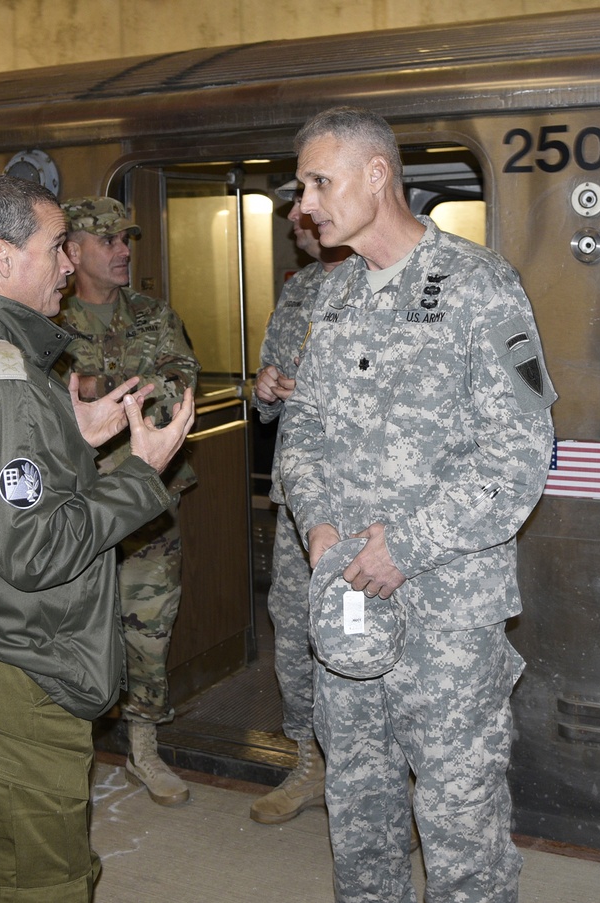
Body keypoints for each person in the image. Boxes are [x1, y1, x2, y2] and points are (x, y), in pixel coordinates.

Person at [0, 174, 194, 902]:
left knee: (17, 861)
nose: (70, 264)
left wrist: (68, 437)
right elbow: (34, 548)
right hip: (18, 663)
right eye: (56, 247)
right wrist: (140, 473)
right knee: (44, 881)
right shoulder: (1, 375)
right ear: (3, 257)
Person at [279, 107, 556, 902]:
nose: (306, 204)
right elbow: (301, 428)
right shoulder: (331, 300)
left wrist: (405, 546)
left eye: (319, 182)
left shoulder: (479, 287)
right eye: (303, 187)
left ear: (377, 175)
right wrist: (322, 526)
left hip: (448, 622)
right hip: (349, 612)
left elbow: (520, 457)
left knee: (460, 827)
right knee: (360, 815)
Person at [56, 196, 200, 807]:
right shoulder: (46, 320)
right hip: (73, 508)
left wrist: (92, 388)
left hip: (144, 505)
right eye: (107, 241)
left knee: (149, 629)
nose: (121, 251)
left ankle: (143, 751)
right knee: (73, 634)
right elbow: (33, 401)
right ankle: (70, 758)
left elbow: (179, 382)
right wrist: (117, 390)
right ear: (72, 251)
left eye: (125, 239)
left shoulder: (152, 315)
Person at [250, 179, 351, 825]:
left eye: (305, 202)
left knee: (366, 640)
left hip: (365, 509)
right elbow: (265, 400)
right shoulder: (299, 289)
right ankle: (309, 763)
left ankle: (373, 782)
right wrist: (262, 388)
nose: (295, 218)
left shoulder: (390, 281)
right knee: (294, 631)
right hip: (296, 505)